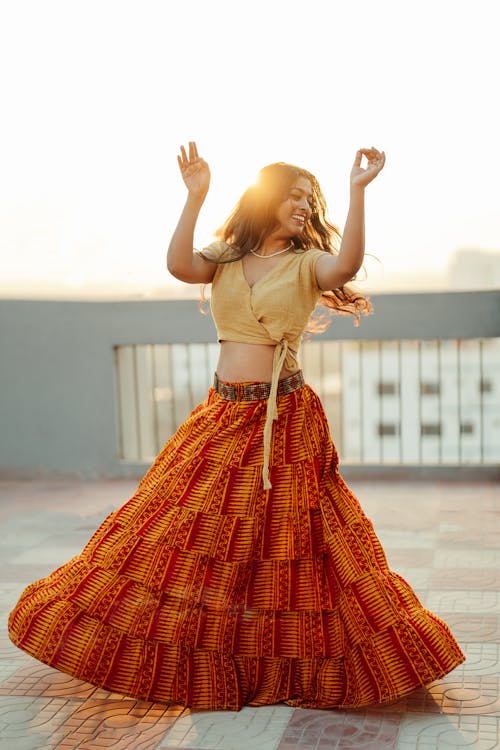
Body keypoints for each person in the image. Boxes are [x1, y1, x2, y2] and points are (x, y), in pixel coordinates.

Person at [8, 142, 465, 711]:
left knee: (290, 545)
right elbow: (178, 265)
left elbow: (344, 266)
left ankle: (297, 658)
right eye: (294, 195)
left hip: (284, 418)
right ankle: (207, 649)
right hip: (222, 413)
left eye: (309, 198)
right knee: (180, 532)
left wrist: (357, 190)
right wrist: (194, 196)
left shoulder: (305, 265)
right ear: (267, 199)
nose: (303, 205)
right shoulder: (224, 258)